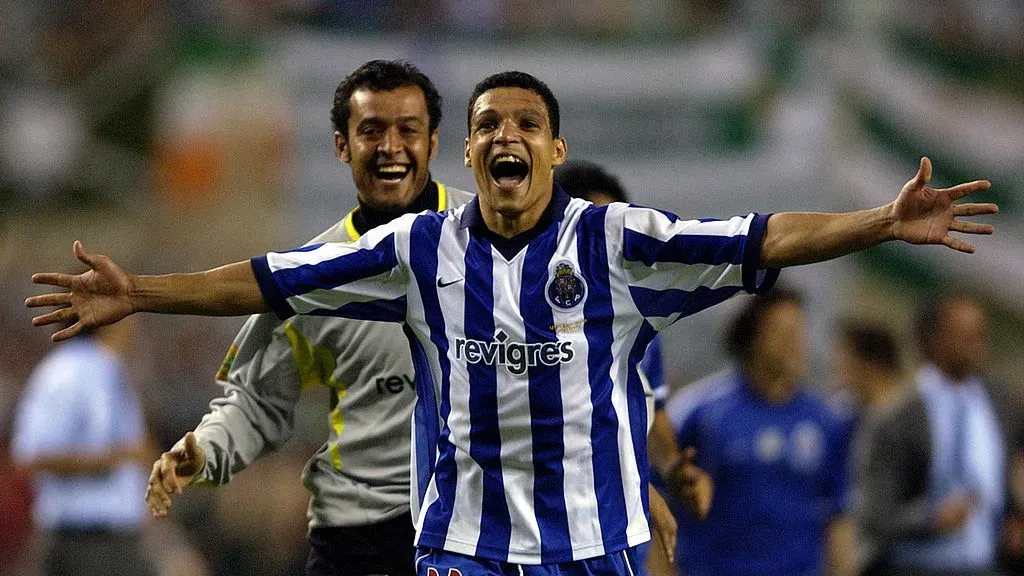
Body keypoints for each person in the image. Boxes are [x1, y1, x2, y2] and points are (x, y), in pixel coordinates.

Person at [27, 70, 996, 575]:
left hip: (594, 548)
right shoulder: (419, 252)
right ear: (472, 148)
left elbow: (766, 235)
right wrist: (142, 290)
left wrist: (877, 220)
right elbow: (273, 280)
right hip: (463, 551)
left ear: (554, 148)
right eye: (489, 121)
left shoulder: (617, 245)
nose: (504, 134)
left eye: (525, 122)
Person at [145, 60, 476, 576]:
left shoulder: (492, 244)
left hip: (479, 522)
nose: (390, 146)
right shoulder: (310, 275)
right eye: (371, 131)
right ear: (342, 146)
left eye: (407, 130)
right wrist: (204, 452)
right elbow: (256, 404)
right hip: (360, 535)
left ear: (432, 143)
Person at [554, 160, 712, 572]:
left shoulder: (636, 324)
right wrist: (640, 491)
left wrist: (673, 469)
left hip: (613, 541)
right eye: (589, 232)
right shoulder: (519, 316)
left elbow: (650, 410)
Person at [665, 288, 854, 576]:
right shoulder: (702, 414)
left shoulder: (824, 421)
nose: (797, 344)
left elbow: (837, 515)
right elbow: (659, 504)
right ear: (751, 338)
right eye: (783, 333)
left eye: (799, 331)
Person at [860, 294, 1024, 576]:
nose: (979, 344)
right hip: (915, 565)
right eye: (966, 335)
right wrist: (931, 519)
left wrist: (1015, 517)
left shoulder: (1000, 403)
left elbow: (1012, 469)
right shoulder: (900, 417)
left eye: (981, 334)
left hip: (986, 564)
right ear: (935, 340)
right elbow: (875, 516)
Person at [10, 320, 156, 576]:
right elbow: (30, 457)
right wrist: (113, 459)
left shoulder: (108, 367)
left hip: (118, 539)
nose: (134, 325)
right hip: (81, 541)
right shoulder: (66, 372)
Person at [829, 320, 907, 575]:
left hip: (899, 552)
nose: (838, 370)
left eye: (845, 360)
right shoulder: (842, 416)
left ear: (870, 365)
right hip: (849, 546)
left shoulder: (914, 422)